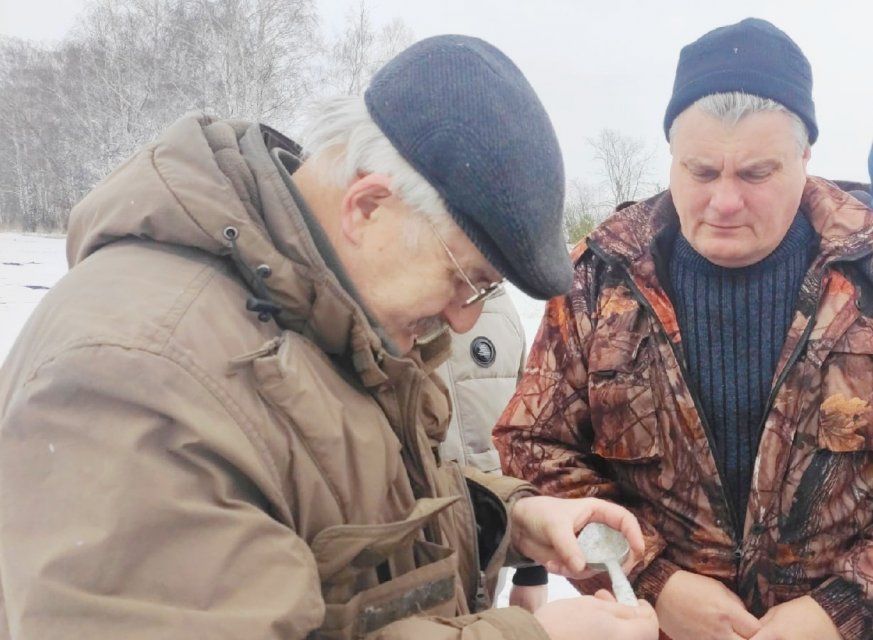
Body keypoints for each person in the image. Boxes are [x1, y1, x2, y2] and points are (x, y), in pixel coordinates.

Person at [0, 36, 658, 640]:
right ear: (367, 207)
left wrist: (506, 518)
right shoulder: (136, 379)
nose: (464, 320)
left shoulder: (325, 314)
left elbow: (332, 506)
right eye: (466, 278)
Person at [495, 18, 873, 640]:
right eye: (701, 172)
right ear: (670, 156)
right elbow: (532, 452)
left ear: (805, 158)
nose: (725, 202)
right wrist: (652, 580)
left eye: (756, 174)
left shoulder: (865, 272)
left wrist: (844, 609)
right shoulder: (599, 277)